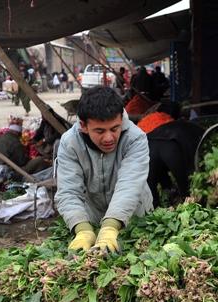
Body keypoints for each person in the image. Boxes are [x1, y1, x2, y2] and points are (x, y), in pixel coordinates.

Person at [55, 86, 153, 253]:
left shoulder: (136, 139)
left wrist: (110, 228)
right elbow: (68, 191)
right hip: (91, 219)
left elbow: (129, 186)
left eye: (114, 129)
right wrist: (82, 229)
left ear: (121, 119)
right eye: (100, 131)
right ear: (83, 126)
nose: (109, 138)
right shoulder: (69, 143)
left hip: (136, 219)